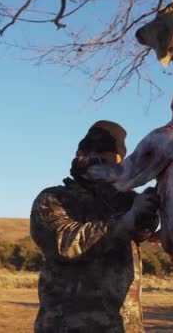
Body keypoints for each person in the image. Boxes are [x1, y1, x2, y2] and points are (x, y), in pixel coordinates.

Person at [30, 120, 160, 333]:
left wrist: (151, 205)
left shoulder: (126, 201)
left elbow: (144, 229)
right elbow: (64, 243)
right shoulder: (53, 198)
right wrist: (125, 222)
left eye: (104, 157)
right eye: (85, 152)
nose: (87, 158)